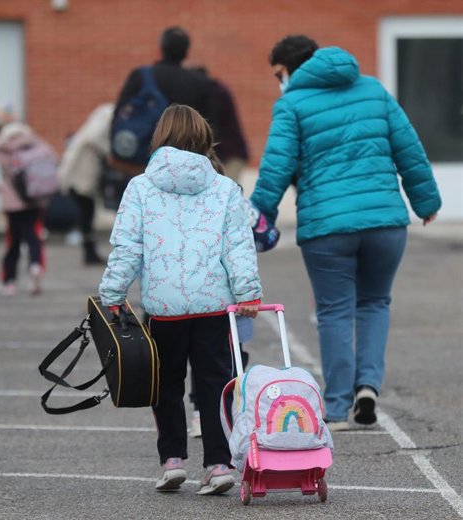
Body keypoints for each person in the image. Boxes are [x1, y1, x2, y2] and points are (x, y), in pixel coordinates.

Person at [250, 35, 441, 432]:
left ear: (290, 69)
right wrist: (426, 202)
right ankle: (367, 387)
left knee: (335, 310)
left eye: (278, 74)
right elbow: (409, 147)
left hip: (327, 227)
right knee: (374, 304)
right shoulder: (372, 89)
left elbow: (276, 168)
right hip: (386, 222)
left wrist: (257, 217)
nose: (278, 82)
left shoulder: (292, 104)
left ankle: (337, 406)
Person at [99, 104, 262, 495]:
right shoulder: (225, 187)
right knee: (215, 384)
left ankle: (172, 460)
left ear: (160, 138)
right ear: (205, 138)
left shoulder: (140, 186)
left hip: (164, 308)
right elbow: (238, 247)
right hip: (213, 306)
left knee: (165, 383)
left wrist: (112, 293)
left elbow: (127, 247)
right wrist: (248, 292)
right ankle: (219, 464)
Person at [111, 26, 211, 175]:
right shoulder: (199, 83)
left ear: (161, 47)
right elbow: (209, 127)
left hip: (137, 161)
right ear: (187, 51)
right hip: (181, 168)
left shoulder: (140, 76)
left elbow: (118, 114)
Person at [0, 122, 56, 296]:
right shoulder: (31, 140)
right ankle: (35, 265)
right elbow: (53, 158)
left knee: (14, 240)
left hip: (11, 199)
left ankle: (9, 281)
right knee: (33, 235)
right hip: (35, 196)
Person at [57, 103, 114, 265]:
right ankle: (89, 252)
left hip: (80, 176)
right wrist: (110, 151)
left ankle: (90, 251)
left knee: (87, 214)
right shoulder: (102, 124)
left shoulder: (92, 125)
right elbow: (95, 139)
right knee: (86, 214)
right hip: (81, 177)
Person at [193, 67, 250, 182]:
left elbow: (214, 127)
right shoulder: (218, 90)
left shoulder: (214, 94)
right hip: (230, 153)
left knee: (226, 193)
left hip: (229, 155)